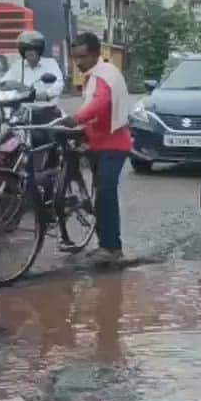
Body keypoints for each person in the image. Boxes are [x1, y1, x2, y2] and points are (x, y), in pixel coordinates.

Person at [59, 32, 131, 266]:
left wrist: (76, 118)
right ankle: (106, 245)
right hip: (100, 144)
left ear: (95, 54)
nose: (78, 62)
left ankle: (112, 247)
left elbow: (101, 103)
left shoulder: (104, 75)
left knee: (106, 195)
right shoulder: (96, 75)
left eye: (83, 57)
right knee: (102, 194)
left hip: (113, 146)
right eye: (75, 57)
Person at [1, 30, 64, 101]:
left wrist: (46, 94)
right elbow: (4, 83)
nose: (30, 52)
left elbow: (59, 84)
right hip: (22, 107)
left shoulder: (51, 63)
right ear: (22, 51)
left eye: (34, 49)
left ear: (40, 50)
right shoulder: (17, 66)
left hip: (47, 105)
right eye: (26, 49)